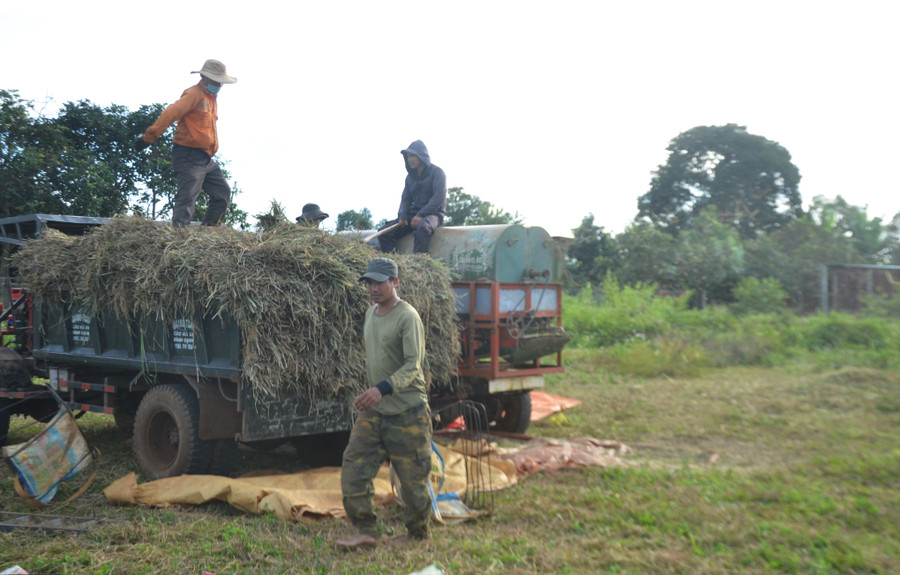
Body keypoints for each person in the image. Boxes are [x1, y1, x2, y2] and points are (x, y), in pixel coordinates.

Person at [337, 257, 432, 548]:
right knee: (353, 470)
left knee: (412, 480)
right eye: (369, 282)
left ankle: (417, 534)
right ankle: (366, 531)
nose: (373, 288)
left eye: (379, 282)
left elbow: (412, 365)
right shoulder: (370, 314)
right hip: (375, 412)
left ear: (395, 282)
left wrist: (382, 388)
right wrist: (373, 393)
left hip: (407, 411)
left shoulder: (407, 316)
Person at [135, 59, 237, 227]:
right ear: (204, 77)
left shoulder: (211, 98)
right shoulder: (194, 94)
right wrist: (149, 137)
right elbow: (171, 113)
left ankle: (209, 232)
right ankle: (179, 237)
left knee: (222, 193)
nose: (219, 84)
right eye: (216, 80)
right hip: (188, 154)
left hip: (205, 157)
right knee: (188, 196)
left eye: (221, 81)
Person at [377, 140, 447, 254]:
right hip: (413, 214)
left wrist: (421, 214)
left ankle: (419, 264)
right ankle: (395, 263)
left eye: (413, 156)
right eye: (408, 156)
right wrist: (402, 216)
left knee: (422, 229)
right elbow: (406, 199)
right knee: (385, 231)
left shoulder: (438, 173)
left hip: (433, 214)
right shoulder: (410, 178)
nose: (410, 159)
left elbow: (439, 198)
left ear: (422, 156)